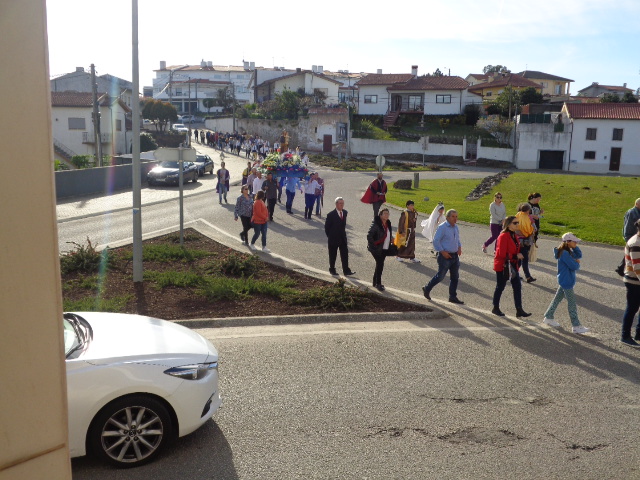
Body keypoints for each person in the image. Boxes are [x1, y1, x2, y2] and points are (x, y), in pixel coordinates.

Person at [542, 233, 590, 334]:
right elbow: (574, 266)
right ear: (568, 242)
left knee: (557, 299)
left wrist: (575, 248)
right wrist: (577, 263)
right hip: (566, 280)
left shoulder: (567, 251)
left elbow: (579, 255)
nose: (576, 243)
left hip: (565, 280)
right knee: (572, 303)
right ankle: (576, 325)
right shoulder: (564, 253)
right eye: (574, 241)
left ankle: (548, 317)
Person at [492, 216, 531, 317]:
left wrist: (522, 250)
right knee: (500, 286)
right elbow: (501, 254)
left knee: (517, 286)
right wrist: (515, 255)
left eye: (518, 222)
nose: (517, 224)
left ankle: (519, 309)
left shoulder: (514, 235)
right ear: (508, 225)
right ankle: (495, 307)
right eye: (515, 223)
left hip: (512, 264)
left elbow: (515, 248)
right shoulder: (503, 236)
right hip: (503, 265)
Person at [422, 209, 464, 304]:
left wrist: (459, 247)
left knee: (455, 277)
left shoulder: (456, 227)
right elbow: (436, 241)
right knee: (440, 276)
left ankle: (452, 296)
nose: (455, 219)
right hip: (445, 256)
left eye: (456, 217)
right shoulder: (442, 227)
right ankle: (427, 288)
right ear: (448, 217)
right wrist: (442, 251)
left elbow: (457, 239)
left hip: (454, 256)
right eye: (453, 216)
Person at [620, 219, 640, 346]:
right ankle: (625, 336)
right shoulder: (636, 243)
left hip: (636, 281)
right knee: (632, 308)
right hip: (634, 282)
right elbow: (637, 268)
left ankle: (639, 333)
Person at [324, 197, 356, 276]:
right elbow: (327, 228)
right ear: (336, 204)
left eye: (343, 203)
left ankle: (346, 270)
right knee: (333, 255)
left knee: (345, 254)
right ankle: (332, 269)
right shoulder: (331, 215)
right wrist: (331, 236)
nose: (342, 205)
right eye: (340, 203)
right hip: (333, 238)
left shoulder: (345, 212)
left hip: (342, 238)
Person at [367, 208, 393, 291]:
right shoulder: (376, 224)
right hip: (376, 249)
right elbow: (369, 236)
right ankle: (378, 284)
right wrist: (375, 245)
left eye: (388, 214)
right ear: (380, 215)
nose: (386, 215)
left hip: (384, 248)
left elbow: (388, 234)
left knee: (379, 265)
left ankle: (375, 282)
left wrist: (391, 239)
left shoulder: (388, 223)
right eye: (385, 213)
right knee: (380, 264)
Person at [616, 198, 640, 276]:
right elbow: (628, 226)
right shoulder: (631, 212)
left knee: (630, 253)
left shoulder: (637, 212)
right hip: (631, 236)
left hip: (636, 237)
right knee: (631, 253)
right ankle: (622, 269)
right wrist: (628, 238)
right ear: (637, 204)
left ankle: (621, 269)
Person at [515, 203, 536, 283]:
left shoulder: (517, 215)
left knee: (520, 259)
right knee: (525, 259)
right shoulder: (528, 217)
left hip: (518, 240)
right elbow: (533, 228)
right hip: (526, 241)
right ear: (528, 210)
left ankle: (515, 273)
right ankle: (528, 276)